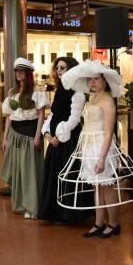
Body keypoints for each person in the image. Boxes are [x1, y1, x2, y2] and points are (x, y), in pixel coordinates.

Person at [59, 60, 133, 238]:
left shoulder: (107, 102)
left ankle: (113, 224)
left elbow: (108, 132)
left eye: (96, 79)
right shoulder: (92, 97)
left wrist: (101, 158)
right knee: (96, 187)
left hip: (101, 147)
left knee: (107, 187)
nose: (92, 82)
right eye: (90, 79)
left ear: (105, 81)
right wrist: (83, 148)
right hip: (89, 144)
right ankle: (98, 223)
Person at [38, 57, 86, 223]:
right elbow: (54, 115)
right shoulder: (59, 90)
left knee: (67, 174)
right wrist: (46, 133)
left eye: (63, 68)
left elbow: (74, 119)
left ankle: (68, 215)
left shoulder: (77, 92)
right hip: (54, 139)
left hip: (69, 140)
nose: (58, 70)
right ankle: (53, 212)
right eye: (57, 67)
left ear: (71, 69)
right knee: (54, 174)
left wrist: (59, 137)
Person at [0, 58, 49, 219]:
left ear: (28, 73)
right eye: (16, 71)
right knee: (18, 170)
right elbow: (9, 117)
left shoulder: (37, 91)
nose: (18, 73)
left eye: (22, 70)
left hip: (30, 134)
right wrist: (5, 137)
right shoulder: (12, 92)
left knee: (30, 172)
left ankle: (32, 206)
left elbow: (41, 115)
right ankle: (21, 204)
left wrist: (37, 136)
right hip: (15, 134)